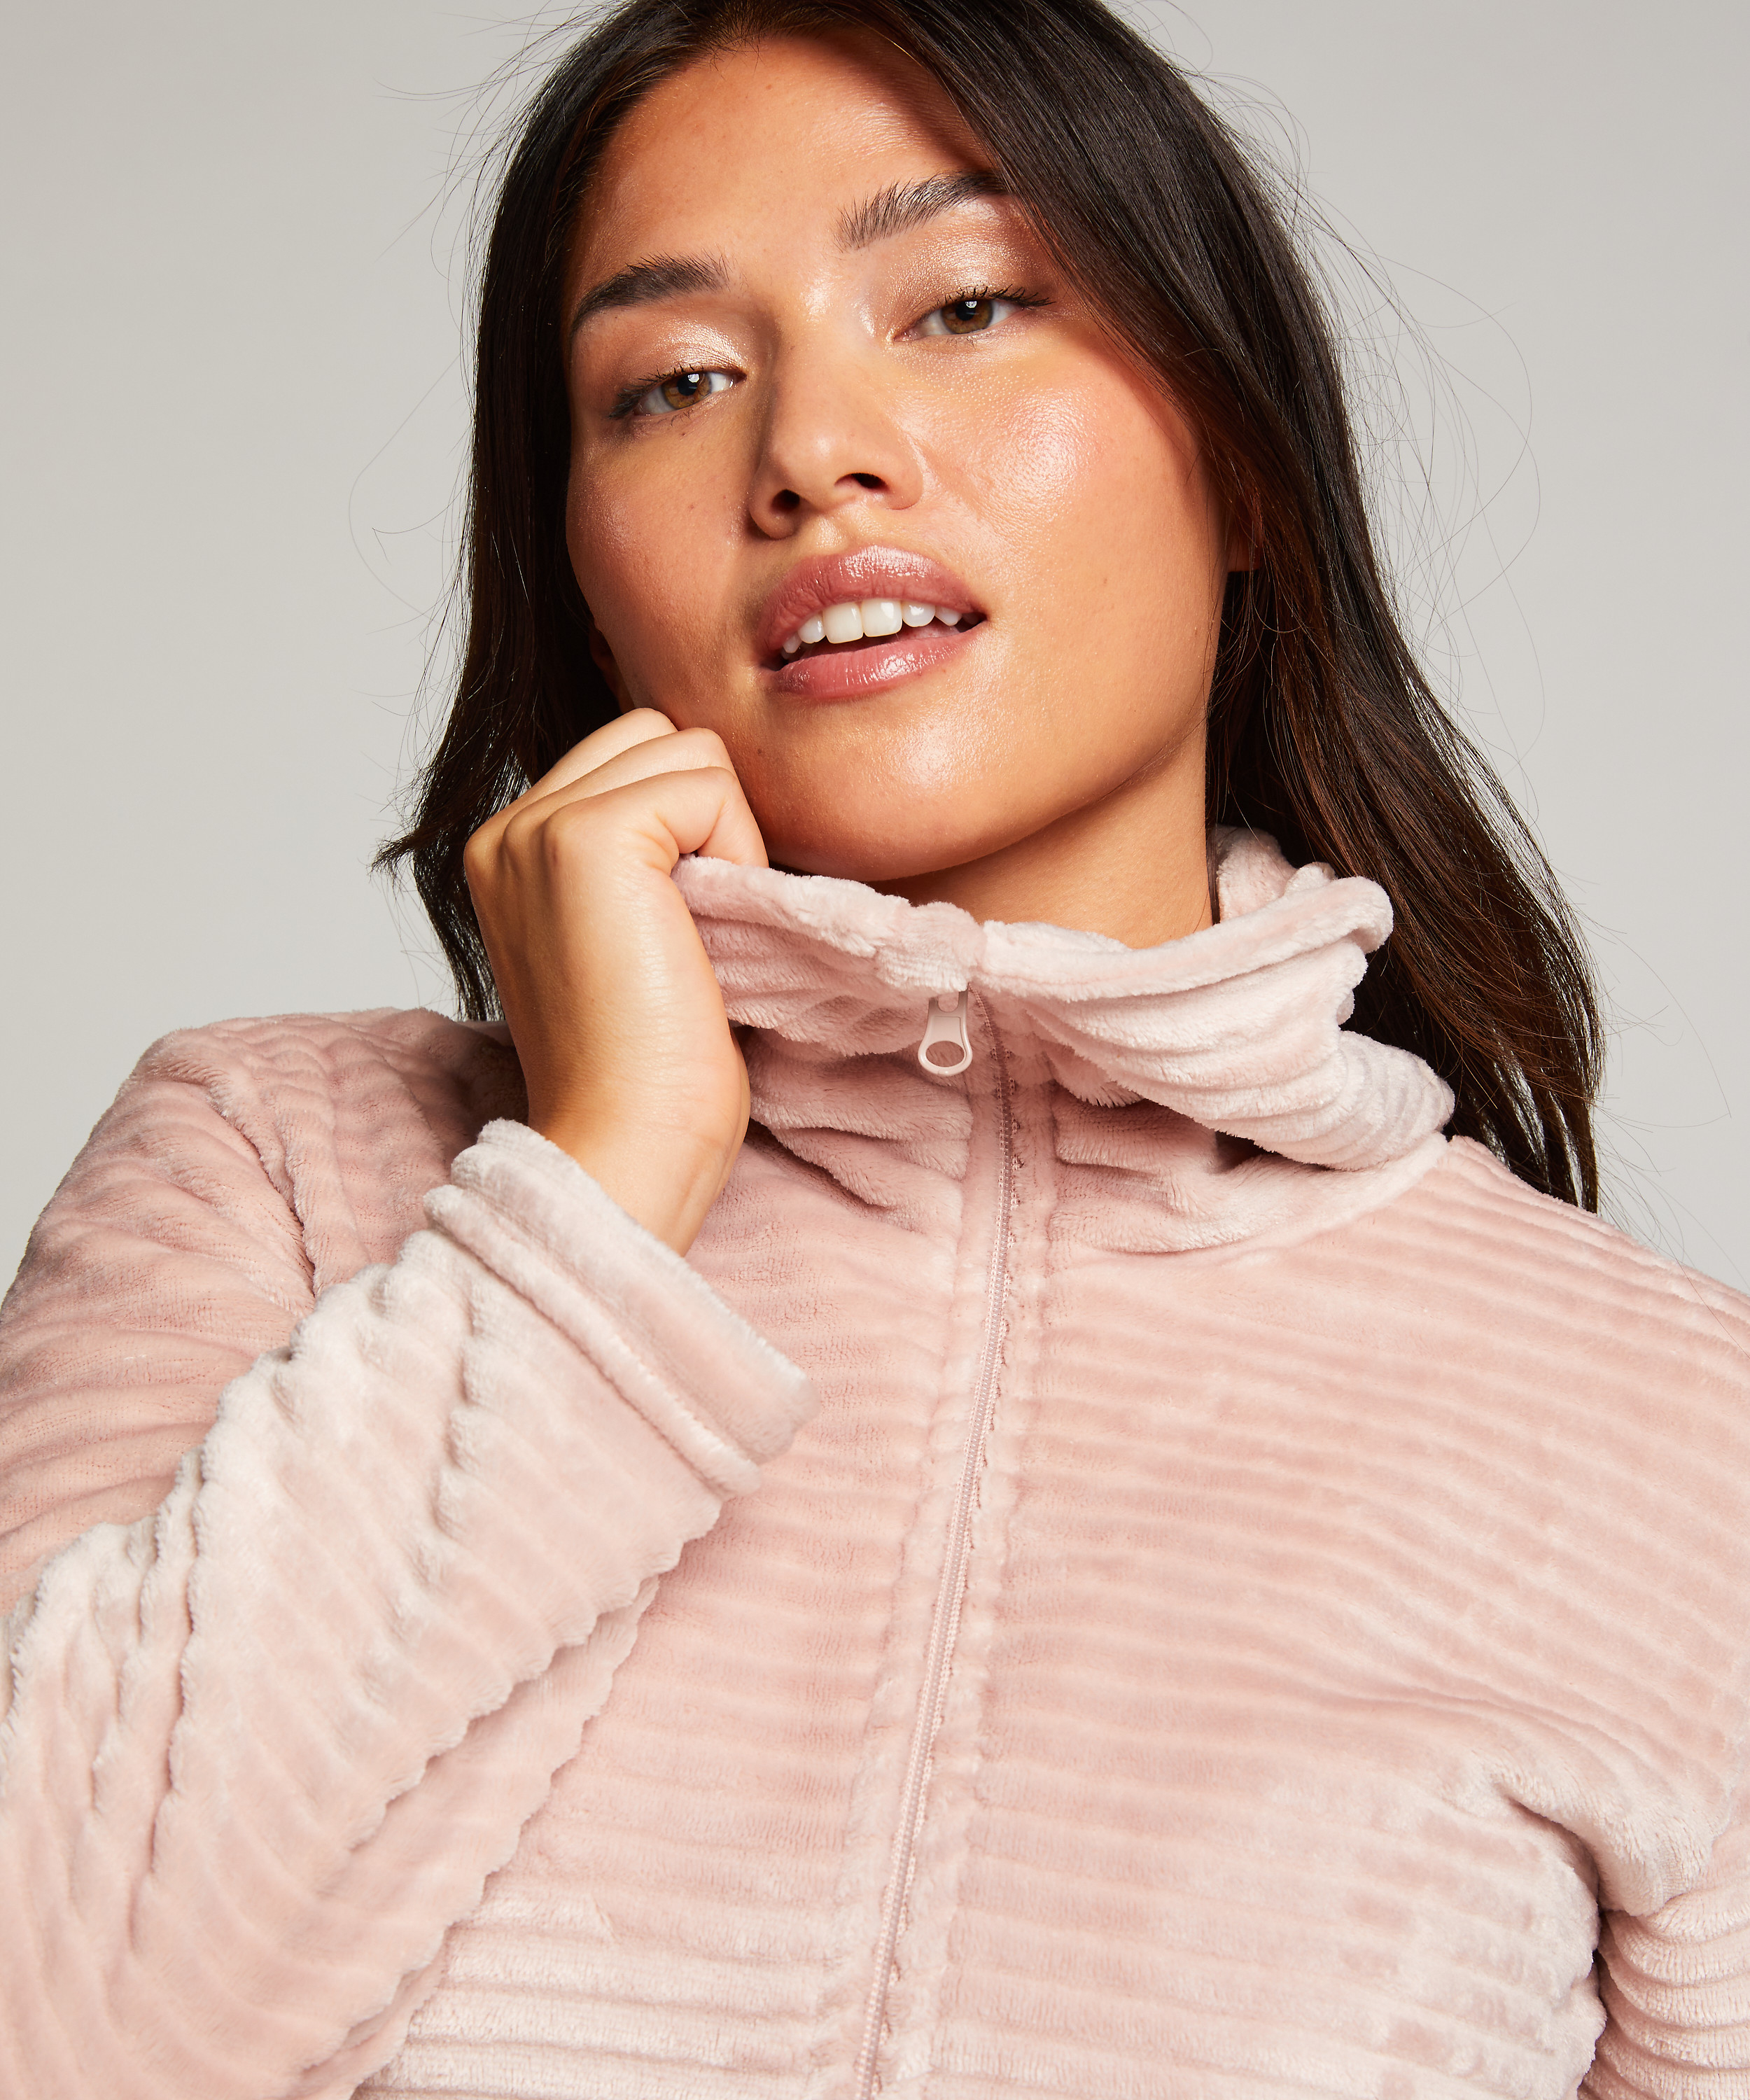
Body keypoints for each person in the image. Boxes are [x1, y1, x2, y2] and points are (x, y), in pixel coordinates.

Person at [0, 0, 1744, 2094]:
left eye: (965, 304)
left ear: (1242, 458)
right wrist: (595, 1195)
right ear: (577, 559)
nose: (811, 453)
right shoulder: (270, 1177)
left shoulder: (1681, 1441)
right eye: (674, 382)